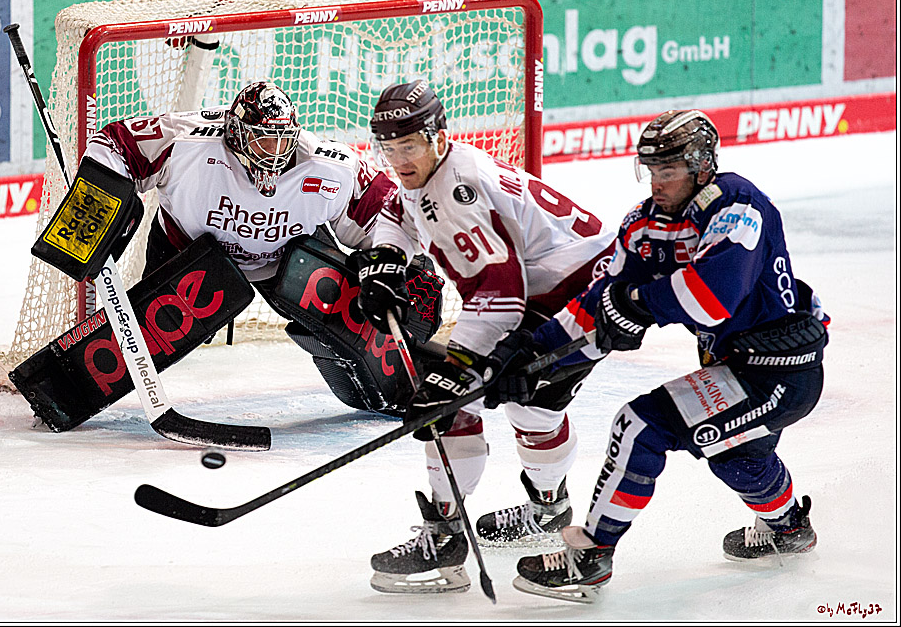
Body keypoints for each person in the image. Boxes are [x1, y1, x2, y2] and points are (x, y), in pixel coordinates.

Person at [507, 110, 830, 602]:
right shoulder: (643, 225)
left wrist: (637, 305)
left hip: (779, 373)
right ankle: (788, 528)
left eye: (669, 171)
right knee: (737, 458)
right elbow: (601, 302)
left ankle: (591, 554)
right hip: (736, 365)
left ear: (701, 166)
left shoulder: (738, 204)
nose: (657, 183)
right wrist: (537, 353)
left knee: (640, 425)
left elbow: (711, 297)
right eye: (652, 171)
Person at [351, 80, 616, 594]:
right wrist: (385, 256)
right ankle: (497, 519)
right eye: (388, 147)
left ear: (437, 136)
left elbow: (499, 296)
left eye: (408, 145)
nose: (399, 159)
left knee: (508, 402)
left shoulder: (457, 192)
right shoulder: (435, 170)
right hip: (550, 289)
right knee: (488, 403)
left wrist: (459, 368)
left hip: (581, 300)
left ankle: (501, 522)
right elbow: (397, 212)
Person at [80, 81, 438, 417]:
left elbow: (390, 218)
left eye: (283, 142)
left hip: (285, 257)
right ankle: (74, 381)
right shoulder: (187, 141)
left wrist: (412, 265)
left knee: (356, 305)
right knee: (153, 332)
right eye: (264, 142)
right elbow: (113, 143)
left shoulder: (331, 166)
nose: (276, 154)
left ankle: (396, 383)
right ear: (234, 132)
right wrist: (100, 200)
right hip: (186, 251)